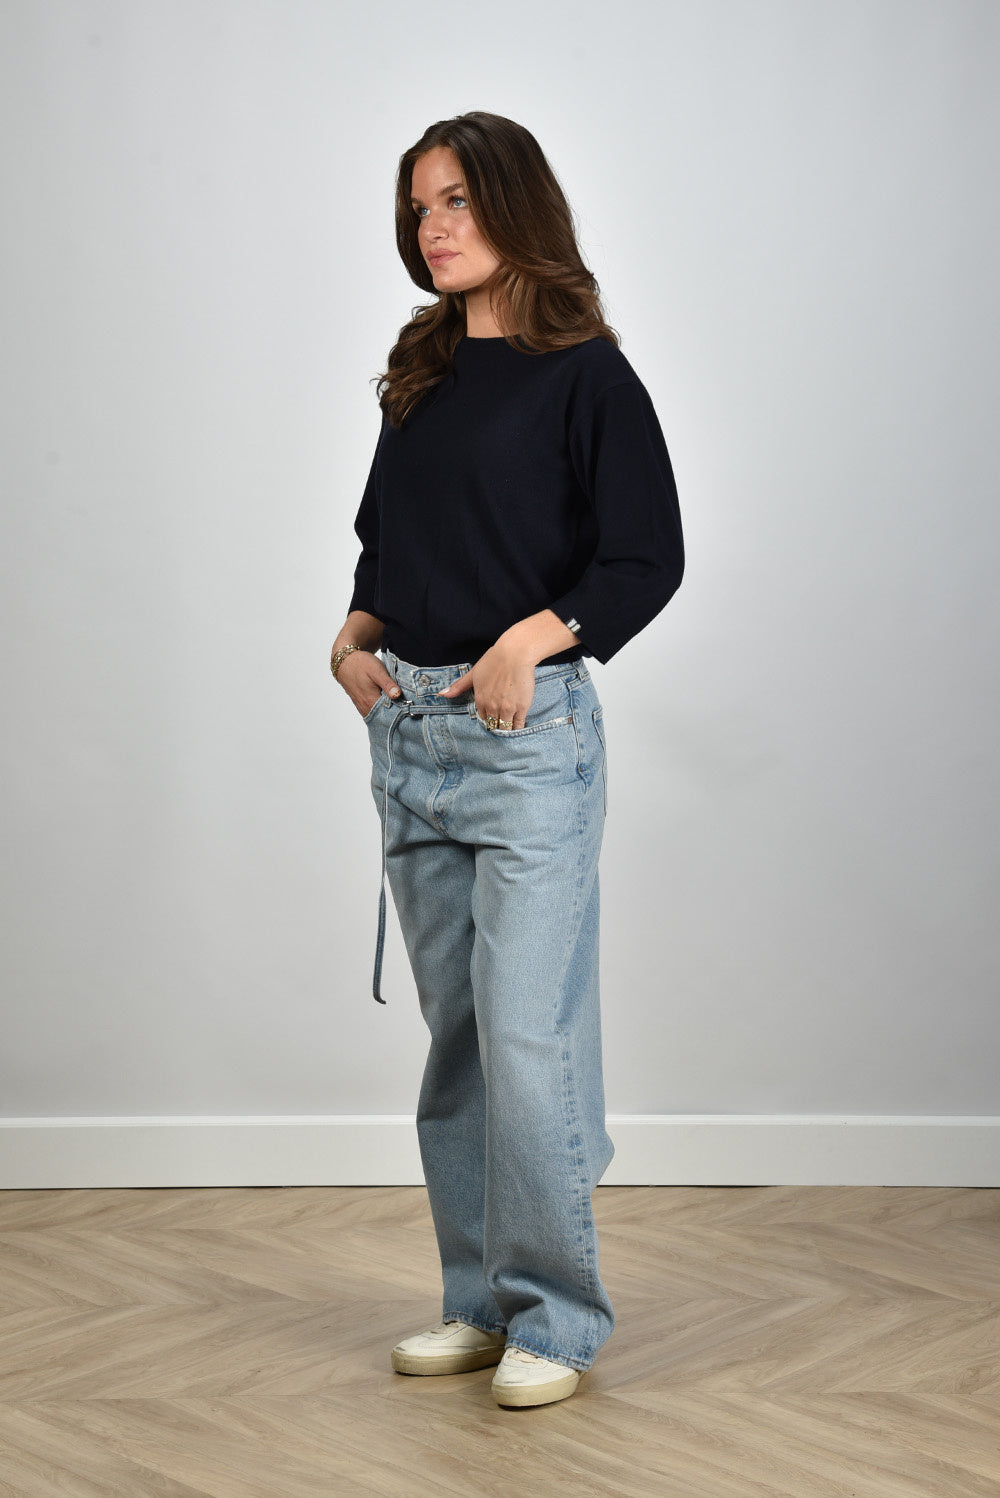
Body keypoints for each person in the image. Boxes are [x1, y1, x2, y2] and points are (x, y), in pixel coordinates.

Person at [329, 111, 684, 1409]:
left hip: (527, 747)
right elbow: (387, 543)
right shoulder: (421, 370)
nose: (434, 226)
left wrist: (533, 637)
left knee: (528, 1036)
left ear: (517, 207)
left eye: (460, 200)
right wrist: (351, 639)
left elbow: (645, 557)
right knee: (463, 1043)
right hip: (412, 733)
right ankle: (478, 1302)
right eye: (420, 205)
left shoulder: (588, 377)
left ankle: (559, 1316)